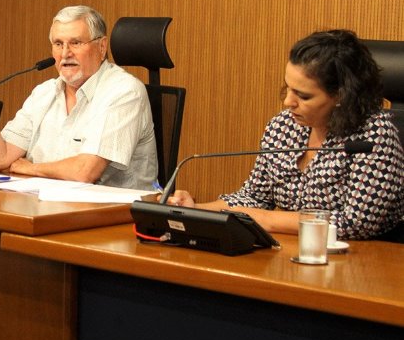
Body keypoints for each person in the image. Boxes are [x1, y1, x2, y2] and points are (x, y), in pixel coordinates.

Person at [169, 29, 403, 240]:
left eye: (303, 96)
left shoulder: (373, 136)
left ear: (341, 95)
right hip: (298, 253)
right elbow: (255, 197)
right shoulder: (283, 126)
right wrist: (195, 210)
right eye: (288, 88)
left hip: (366, 263)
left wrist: (265, 219)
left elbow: (355, 224)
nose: (288, 102)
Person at [0, 5, 156, 190]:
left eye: (76, 43)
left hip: (112, 216)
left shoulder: (124, 91)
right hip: (48, 205)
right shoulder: (44, 93)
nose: (65, 53)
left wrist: (31, 168)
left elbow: (84, 171)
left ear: (102, 47)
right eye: (58, 44)